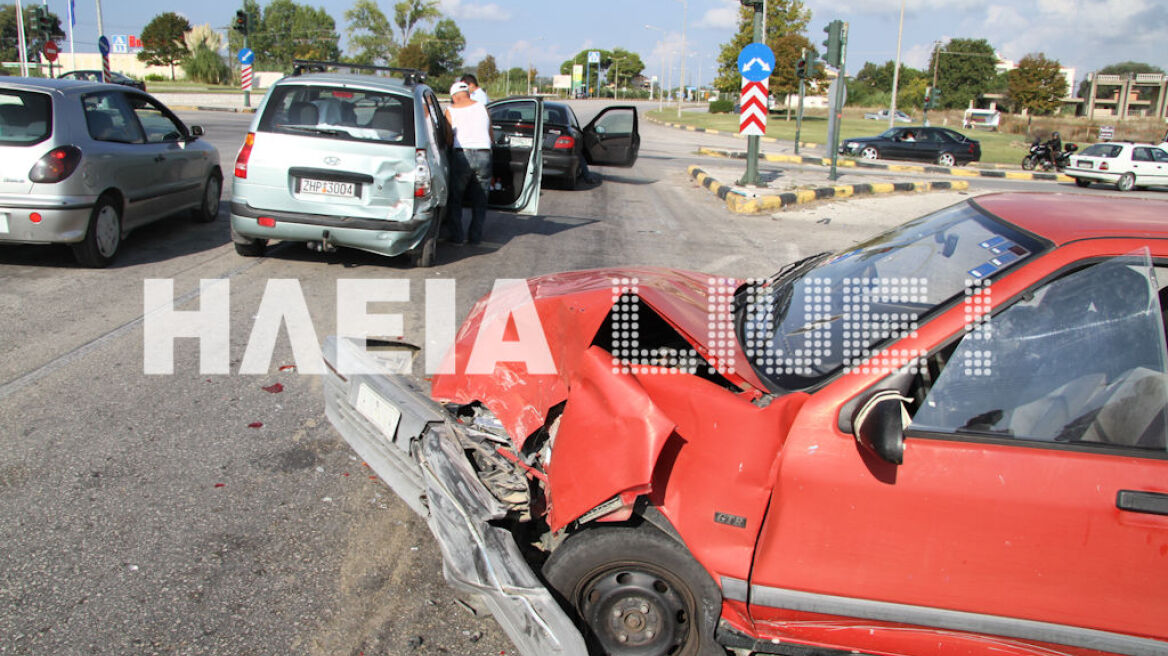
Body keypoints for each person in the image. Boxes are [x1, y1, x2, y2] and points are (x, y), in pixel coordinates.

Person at [443, 81, 492, 244]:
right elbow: (490, 134)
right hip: (484, 154)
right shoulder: (482, 108)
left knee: (456, 198)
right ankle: (475, 236)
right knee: (480, 198)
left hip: (462, 155)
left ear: (454, 97)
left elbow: (449, 139)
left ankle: (457, 236)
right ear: (468, 94)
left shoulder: (451, 110)